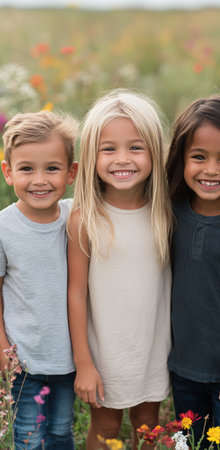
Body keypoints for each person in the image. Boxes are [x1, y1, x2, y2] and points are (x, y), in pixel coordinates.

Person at [67, 89, 173, 449]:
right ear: (91, 155)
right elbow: (77, 292)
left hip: (152, 345)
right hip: (105, 351)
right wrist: (84, 363)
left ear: (155, 153)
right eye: (108, 148)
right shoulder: (85, 219)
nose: (122, 159)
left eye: (136, 147)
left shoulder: (167, 214)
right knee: (106, 426)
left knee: (148, 424)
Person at [166, 95, 220, 449]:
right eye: (199, 157)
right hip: (182, 370)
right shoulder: (171, 214)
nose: (211, 170)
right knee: (192, 444)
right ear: (181, 158)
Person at [0, 111, 79, 450]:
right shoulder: (4, 228)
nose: (40, 180)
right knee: (29, 437)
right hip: (24, 360)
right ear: (8, 172)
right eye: (26, 169)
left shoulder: (77, 216)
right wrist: (3, 347)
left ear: (71, 172)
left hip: (69, 358)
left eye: (52, 168)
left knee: (61, 432)